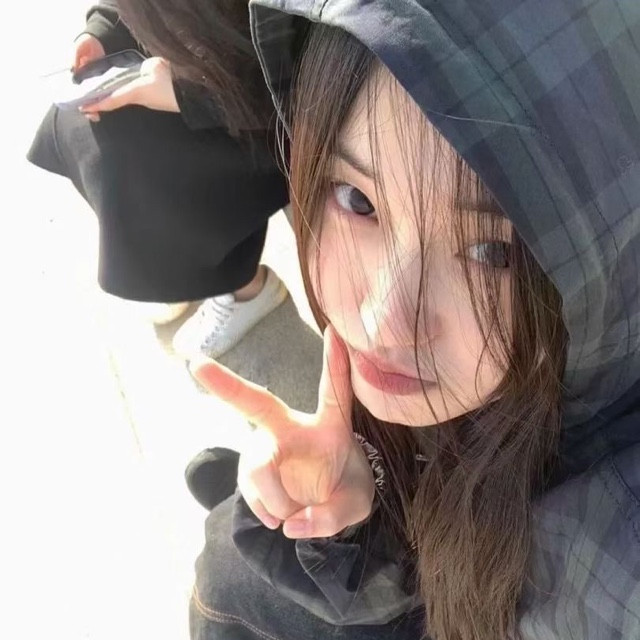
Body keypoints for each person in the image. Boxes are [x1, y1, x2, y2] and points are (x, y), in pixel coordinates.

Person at [185, 1, 640, 639]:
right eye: (357, 199)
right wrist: (360, 511)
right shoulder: (542, 360)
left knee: (232, 580)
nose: (382, 322)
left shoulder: (617, 564)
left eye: (493, 252)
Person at [28, 0, 289, 356]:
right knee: (91, 128)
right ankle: (184, 272)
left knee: (134, 170)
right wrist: (104, 29)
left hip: (276, 116)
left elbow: (304, 80)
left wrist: (185, 96)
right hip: (203, 64)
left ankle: (245, 288)